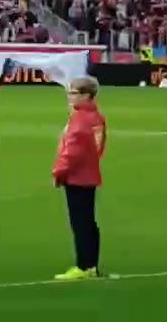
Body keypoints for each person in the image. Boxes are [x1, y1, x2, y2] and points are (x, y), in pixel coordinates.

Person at [53, 77, 108, 281]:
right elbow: (98, 147)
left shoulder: (80, 119)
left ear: (86, 95)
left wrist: (59, 172)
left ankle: (83, 266)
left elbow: (72, 151)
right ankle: (91, 265)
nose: (69, 96)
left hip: (76, 176)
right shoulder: (96, 117)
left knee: (80, 223)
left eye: (73, 93)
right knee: (89, 222)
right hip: (90, 173)